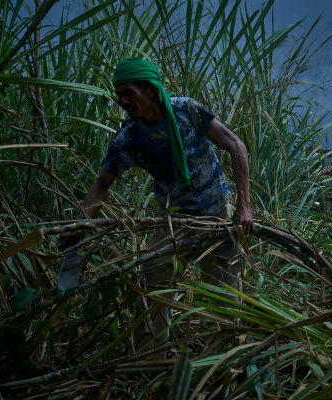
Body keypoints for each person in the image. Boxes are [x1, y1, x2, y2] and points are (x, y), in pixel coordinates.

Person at [59, 57, 253, 359]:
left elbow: (235, 145)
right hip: (172, 221)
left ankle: (225, 365)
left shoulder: (186, 110)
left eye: (129, 93)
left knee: (225, 297)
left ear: (149, 90)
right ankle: (150, 364)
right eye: (119, 95)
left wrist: (244, 207)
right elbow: (101, 186)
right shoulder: (129, 139)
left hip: (217, 215)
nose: (123, 101)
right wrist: (80, 224)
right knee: (150, 289)